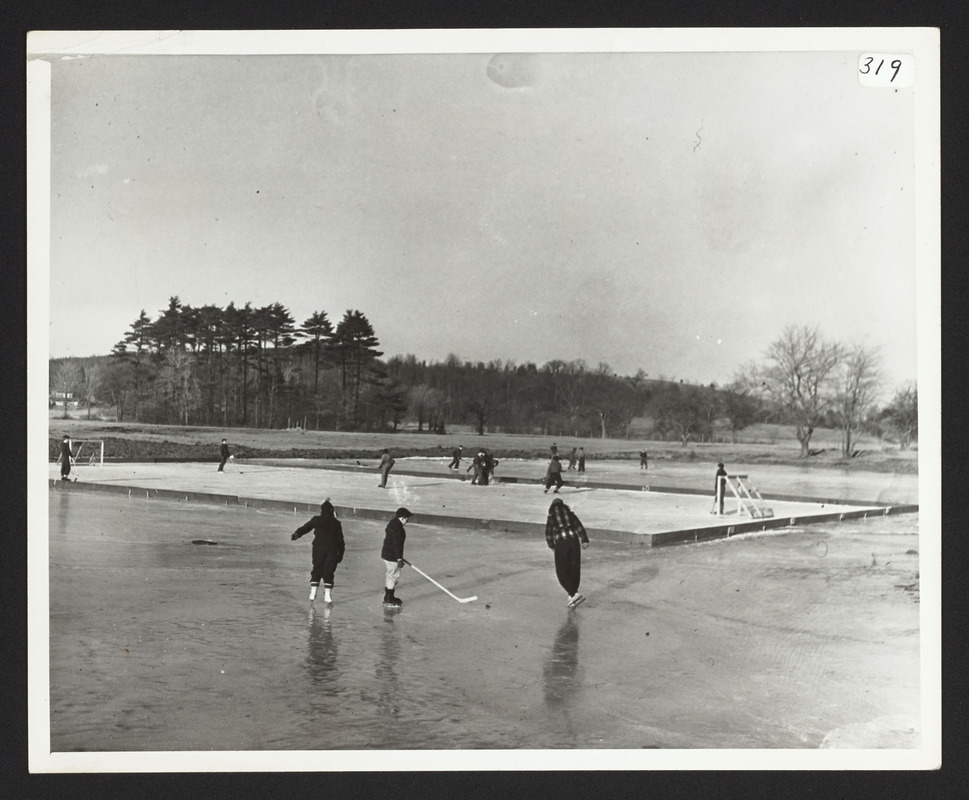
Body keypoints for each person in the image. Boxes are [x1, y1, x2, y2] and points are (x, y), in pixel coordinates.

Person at [291, 499, 346, 603]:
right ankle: (327, 596)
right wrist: (340, 554)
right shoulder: (336, 523)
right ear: (331, 511)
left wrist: (297, 534)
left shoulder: (316, 520)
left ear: (321, 511)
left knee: (317, 568)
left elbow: (306, 527)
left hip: (318, 549)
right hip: (332, 550)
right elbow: (341, 541)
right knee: (329, 571)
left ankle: (313, 592)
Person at [544, 498, 590, 608]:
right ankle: (572, 595)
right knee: (574, 568)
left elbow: (548, 534)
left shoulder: (552, 518)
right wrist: (584, 540)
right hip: (574, 542)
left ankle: (574, 593)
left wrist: (552, 546)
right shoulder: (570, 514)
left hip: (562, 543)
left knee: (562, 571)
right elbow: (579, 526)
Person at [381, 507, 413, 607]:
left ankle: (388, 596)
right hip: (392, 556)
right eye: (407, 518)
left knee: (390, 575)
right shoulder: (398, 528)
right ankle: (389, 599)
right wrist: (399, 559)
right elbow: (397, 544)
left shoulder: (393, 522)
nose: (407, 521)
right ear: (402, 518)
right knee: (393, 576)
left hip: (387, 554)